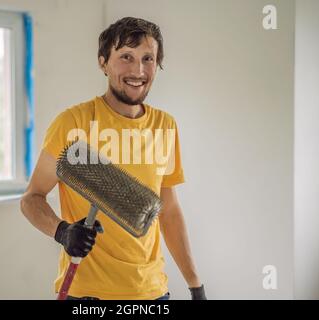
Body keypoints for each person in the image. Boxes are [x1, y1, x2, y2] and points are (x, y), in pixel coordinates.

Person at [20, 17, 206, 300]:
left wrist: (195, 286)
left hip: (151, 293)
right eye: (126, 57)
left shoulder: (165, 126)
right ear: (103, 63)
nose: (138, 70)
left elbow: (168, 211)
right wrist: (63, 232)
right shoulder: (73, 124)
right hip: (87, 295)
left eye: (148, 58)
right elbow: (31, 198)